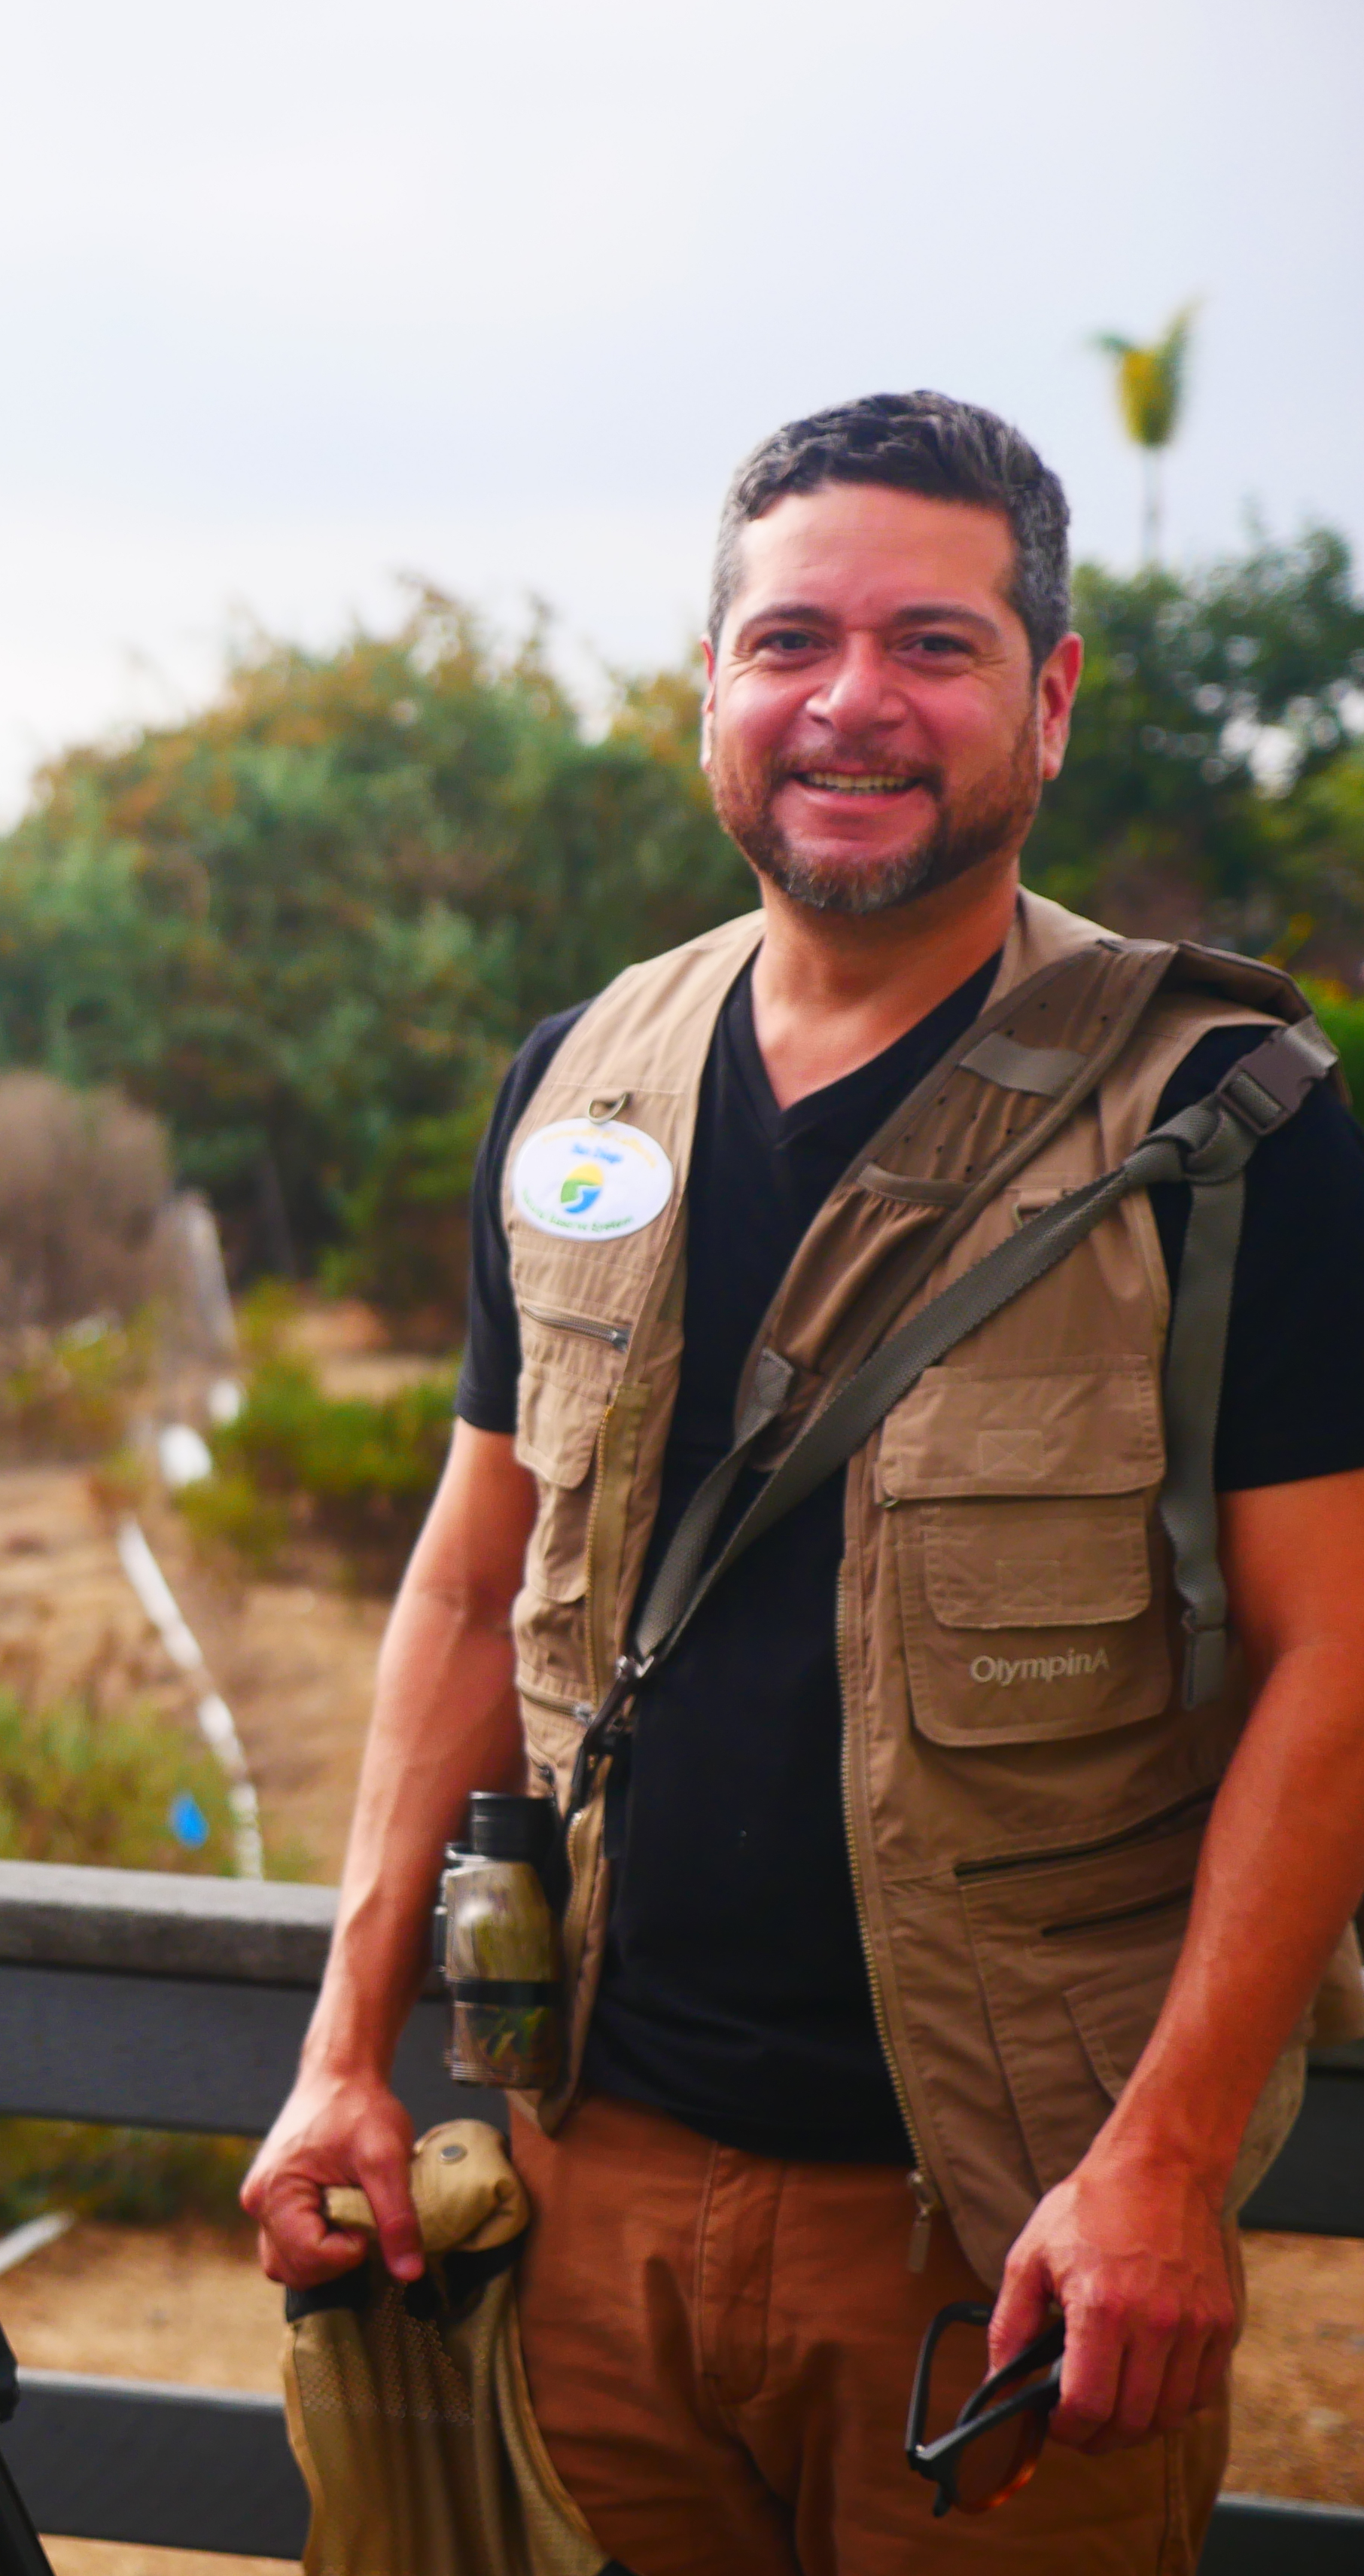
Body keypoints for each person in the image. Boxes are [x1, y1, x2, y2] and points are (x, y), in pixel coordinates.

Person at [242, 392, 1364, 2572]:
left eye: (935, 647)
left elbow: (1339, 1655)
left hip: (1010, 2242)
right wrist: (344, 2052)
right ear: (713, 687)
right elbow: (478, 1583)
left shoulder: (1228, 1123)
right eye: (793, 642)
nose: (854, 703)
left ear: (1046, 700)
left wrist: (1164, 2164)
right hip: (594, 2194)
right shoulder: (578, 1081)